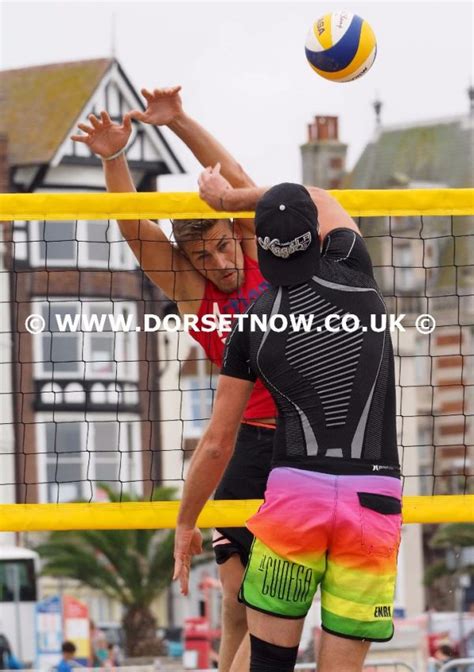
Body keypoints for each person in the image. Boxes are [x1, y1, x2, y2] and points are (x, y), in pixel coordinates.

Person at [71, 87, 276, 671]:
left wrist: (180, 119)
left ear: (235, 234)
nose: (220, 264)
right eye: (204, 257)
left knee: (275, 615)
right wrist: (115, 158)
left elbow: (234, 175)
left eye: (221, 247)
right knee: (238, 612)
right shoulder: (194, 291)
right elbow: (136, 231)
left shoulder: (263, 254)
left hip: (302, 446)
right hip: (244, 444)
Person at [174, 181, 402, 672]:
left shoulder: (254, 320)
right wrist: (233, 198)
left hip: (297, 503)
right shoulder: (357, 272)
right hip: (373, 501)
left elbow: (216, 444)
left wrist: (184, 521)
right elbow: (319, 196)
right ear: (314, 235)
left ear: (258, 243)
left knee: (268, 662)